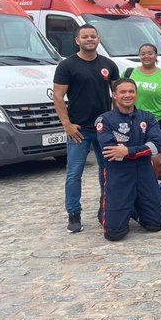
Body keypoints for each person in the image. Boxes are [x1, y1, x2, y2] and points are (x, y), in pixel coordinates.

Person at [53, 23, 119, 234]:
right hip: (78, 130)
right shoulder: (67, 66)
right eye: (85, 36)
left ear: (98, 39)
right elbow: (58, 96)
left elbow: (118, 95)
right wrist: (67, 124)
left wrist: (114, 121)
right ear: (77, 40)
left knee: (107, 171)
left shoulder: (108, 64)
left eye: (93, 36)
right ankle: (74, 213)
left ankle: (105, 207)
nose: (89, 39)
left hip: (103, 130)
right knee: (74, 173)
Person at [97, 78, 161, 241]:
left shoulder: (148, 118)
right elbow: (111, 152)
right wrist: (142, 149)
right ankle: (106, 205)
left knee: (156, 224)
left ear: (136, 94)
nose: (127, 95)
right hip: (119, 174)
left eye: (131, 91)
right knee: (114, 234)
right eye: (122, 92)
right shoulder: (105, 120)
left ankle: (133, 204)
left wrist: (127, 151)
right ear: (114, 95)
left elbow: (157, 145)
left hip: (144, 172)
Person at [125, 43, 161, 136]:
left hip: (156, 121)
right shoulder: (128, 73)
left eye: (150, 53)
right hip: (131, 119)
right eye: (143, 54)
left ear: (156, 55)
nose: (146, 56)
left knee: (155, 149)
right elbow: (118, 96)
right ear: (139, 56)